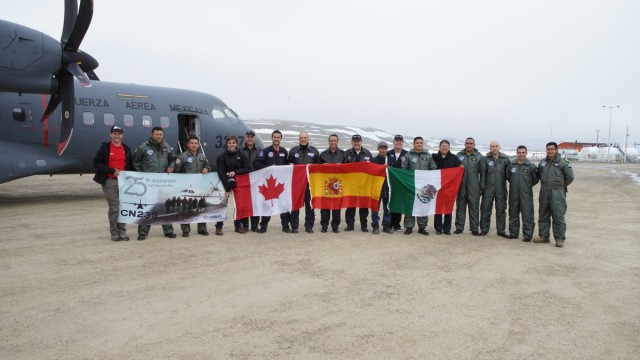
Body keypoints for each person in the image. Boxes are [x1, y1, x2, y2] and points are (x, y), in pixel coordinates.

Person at [132, 126, 177, 240]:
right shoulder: (144, 147)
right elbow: (136, 161)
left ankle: (168, 231)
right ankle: (143, 232)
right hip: (149, 183)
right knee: (147, 207)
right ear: (152, 135)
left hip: (163, 183)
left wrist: (171, 166)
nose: (158, 136)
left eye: (160, 134)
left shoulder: (167, 147)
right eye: (156, 134)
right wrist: (142, 175)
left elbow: (173, 159)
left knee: (165, 206)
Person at [93, 125, 133, 241]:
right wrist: (111, 170)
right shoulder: (105, 148)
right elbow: (96, 163)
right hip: (110, 181)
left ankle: (122, 232)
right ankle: (114, 233)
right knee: (114, 207)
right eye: (114, 133)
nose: (117, 135)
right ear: (110, 134)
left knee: (124, 206)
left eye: (119, 133)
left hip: (124, 182)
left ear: (122, 135)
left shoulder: (126, 148)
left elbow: (131, 165)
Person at [534, 141, 574, 247]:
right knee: (543, 215)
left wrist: (561, 186)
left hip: (557, 193)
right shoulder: (543, 163)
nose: (550, 151)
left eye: (552, 149)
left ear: (556, 150)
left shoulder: (563, 163)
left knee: (558, 215)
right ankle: (543, 236)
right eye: (548, 149)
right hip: (544, 192)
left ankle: (559, 238)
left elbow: (570, 177)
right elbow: (538, 175)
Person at [174, 136, 213, 237]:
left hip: (199, 188)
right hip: (186, 188)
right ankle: (186, 230)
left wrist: (206, 169)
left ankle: (202, 228)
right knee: (186, 208)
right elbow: (176, 172)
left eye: (196, 143)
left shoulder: (202, 156)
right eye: (192, 143)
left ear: (198, 145)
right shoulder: (182, 157)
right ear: (188, 144)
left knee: (200, 207)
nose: (194, 145)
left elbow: (208, 165)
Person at [253, 130, 289, 233]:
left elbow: (286, 166)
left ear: (281, 138)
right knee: (267, 204)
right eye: (274, 137)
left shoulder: (284, 151)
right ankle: (263, 227)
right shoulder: (265, 151)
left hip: (280, 183)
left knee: (283, 204)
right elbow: (257, 163)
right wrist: (269, 168)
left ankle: (285, 227)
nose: (276, 139)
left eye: (278, 137)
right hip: (268, 183)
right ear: (272, 138)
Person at [401, 136, 438, 235]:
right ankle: (409, 227)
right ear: (414, 144)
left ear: (423, 144)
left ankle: (422, 227)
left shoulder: (429, 156)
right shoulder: (408, 155)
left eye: (421, 143)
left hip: (424, 186)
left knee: (423, 205)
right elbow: (403, 169)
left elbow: (433, 167)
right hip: (411, 185)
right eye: (417, 143)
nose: (419, 144)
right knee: (410, 206)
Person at [287, 131, 320, 233]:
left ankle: (309, 226)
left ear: (308, 139)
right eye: (301, 138)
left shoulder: (314, 151)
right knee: (295, 204)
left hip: (310, 184)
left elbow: (318, 167)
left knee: (310, 206)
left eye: (305, 138)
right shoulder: (293, 151)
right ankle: (294, 227)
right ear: (299, 139)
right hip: (296, 183)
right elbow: (288, 164)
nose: (303, 139)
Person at [217, 135, 250, 235]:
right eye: (229, 143)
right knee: (222, 205)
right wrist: (227, 188)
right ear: (227, 144)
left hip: (239, 183)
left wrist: (235, 172)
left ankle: (238, 226)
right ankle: (219, 227)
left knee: (238, 205)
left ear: (236, 144)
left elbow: (246, 168)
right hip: (225, 183)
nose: (231, 145)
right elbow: (221, 173)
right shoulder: (221, 156)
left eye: (233, 143)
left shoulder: (241, 154)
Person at [454, 137, 486, 236]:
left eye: (471, 143)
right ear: (464, 144)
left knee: (474, 207)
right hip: (461, 186)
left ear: (474, 145)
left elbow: (483, 173)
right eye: (467, 143)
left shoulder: (479, 157)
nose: (469, 145)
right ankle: (459, 227)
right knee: (460, 207)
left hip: (474, 186)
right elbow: (453, 170)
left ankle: (474, 228)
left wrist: (482, 186)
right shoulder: (459, 156)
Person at [507, 145, 539, 241]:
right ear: (517, 153)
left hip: (526, 194)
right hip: (513, 193)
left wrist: (526, 186)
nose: (521, 154)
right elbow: (508, 177)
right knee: (513, 214)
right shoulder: (511, 165)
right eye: (519, 152)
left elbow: (535, 179)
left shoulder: (531, 166)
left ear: (526, 153)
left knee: (527, 215)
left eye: (523, 152)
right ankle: (513, 233)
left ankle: (528, 235)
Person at [480, 140, 510, 237]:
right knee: (485, 209)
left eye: (496, 146)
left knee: (501, 210)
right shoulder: (485, 159)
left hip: (501, 188)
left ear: (499, 147)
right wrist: (482, 187)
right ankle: (484, 229)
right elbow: (483, 174)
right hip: (488, 188)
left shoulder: (505, 158)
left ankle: (501, 231)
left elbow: (509, 174)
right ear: (490, 148)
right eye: (492, 146)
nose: (494, 148)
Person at [343, 134, 373, 232]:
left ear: (361, 142)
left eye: (358, 141)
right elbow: (341, 168)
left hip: (364, 184)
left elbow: (372, 168)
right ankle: (350, 225)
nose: (356, 143)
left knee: (364, 206)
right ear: (352, 142)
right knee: (350, 205)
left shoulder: (367, 153)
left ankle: (364, 226)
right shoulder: (347, 153)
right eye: (354, 141)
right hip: (351, 184)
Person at [432, 140, 462, 235]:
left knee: (448, 207)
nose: (444, 147)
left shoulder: (454, 158)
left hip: (449, 187)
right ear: (439, 147)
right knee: (438, 207)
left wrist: (460, 167)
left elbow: (459, 168)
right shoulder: (434, 157)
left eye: (446, 146)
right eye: (443, 146)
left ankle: (447, 228)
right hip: (437, 186)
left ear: (449, 147)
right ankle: (438, 228)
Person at [318, 134, 346, 233]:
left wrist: (341, 166)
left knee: (336, 206)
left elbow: (348, 169)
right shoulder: (323, 154)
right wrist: (323, 166)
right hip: (326, 183)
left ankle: (335, 226)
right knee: (325, 206)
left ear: (337, 141)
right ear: (328, 141)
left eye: (335, 140)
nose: (333, 142)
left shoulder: (343, 154)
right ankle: (324, 226)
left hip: (338, 184)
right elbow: (317, 169)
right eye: (331, 140)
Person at [240, 130, 262, 232]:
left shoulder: (259, 151)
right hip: (244, 180)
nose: (250, 138)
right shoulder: (239, 150)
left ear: (254, 138)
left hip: (256, 181)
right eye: (248, 136)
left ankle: (254, 226)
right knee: (244, 203)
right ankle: (245, 225)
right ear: (245, 138)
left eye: (252, 137)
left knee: (256, 203)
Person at [387, 135, 408, 232]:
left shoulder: (406, 154)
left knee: (399, 203)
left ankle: (397, 224)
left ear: (402, 142)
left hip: (401, 183)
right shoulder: (388, 153)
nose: (398, 142)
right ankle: (389, 223)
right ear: (393, 142)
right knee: (390, 202)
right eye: (396, 141)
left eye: (400, 141)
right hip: (390, 182)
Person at [371, 141, 391, 234]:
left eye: (385, 148)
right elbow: (371, 173)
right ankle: (375, 225)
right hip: (377, 188)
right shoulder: (374, 160)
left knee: (387, 208)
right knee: (375, 207)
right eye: (381, 148)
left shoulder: (391, 160)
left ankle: (386, 225)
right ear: (378, 149)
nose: (383, 150)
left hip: (388, 187)